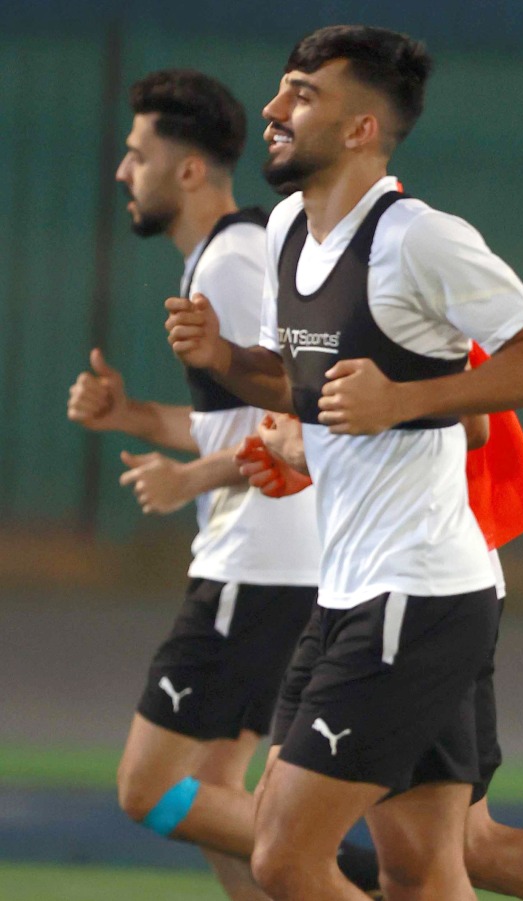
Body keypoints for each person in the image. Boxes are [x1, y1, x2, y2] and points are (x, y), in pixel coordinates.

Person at [165, 25, 523, 901]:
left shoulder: (419, 238)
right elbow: (299, 385)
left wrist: (405, 400)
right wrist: (225, 359)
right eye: (281, 90)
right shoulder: (284, 230)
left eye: (302, 94)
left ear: (360, 129)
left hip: (416, 594)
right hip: (352, 592)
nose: (274, 110)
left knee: (282, 856)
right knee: (423, 872)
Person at [65, 69, 320, 901]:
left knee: (148, 788)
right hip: (273, 565)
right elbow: (229, 420)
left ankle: (383, 871)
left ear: (186, 170)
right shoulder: (219, 257)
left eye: (135, 155)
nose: (120, 171)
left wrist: (191, 481)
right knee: (217, 798)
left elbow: (298, 418)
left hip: (259, 564)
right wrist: (131, 415)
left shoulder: (235, 264)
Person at [239, 358, 523, 901]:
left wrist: (307, 453)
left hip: (419, 590)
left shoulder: (399, 283)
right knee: (452, 853)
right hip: (353, 590)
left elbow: (477, 417)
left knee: (293, 855)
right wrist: (309, 462)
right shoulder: (309, 287)